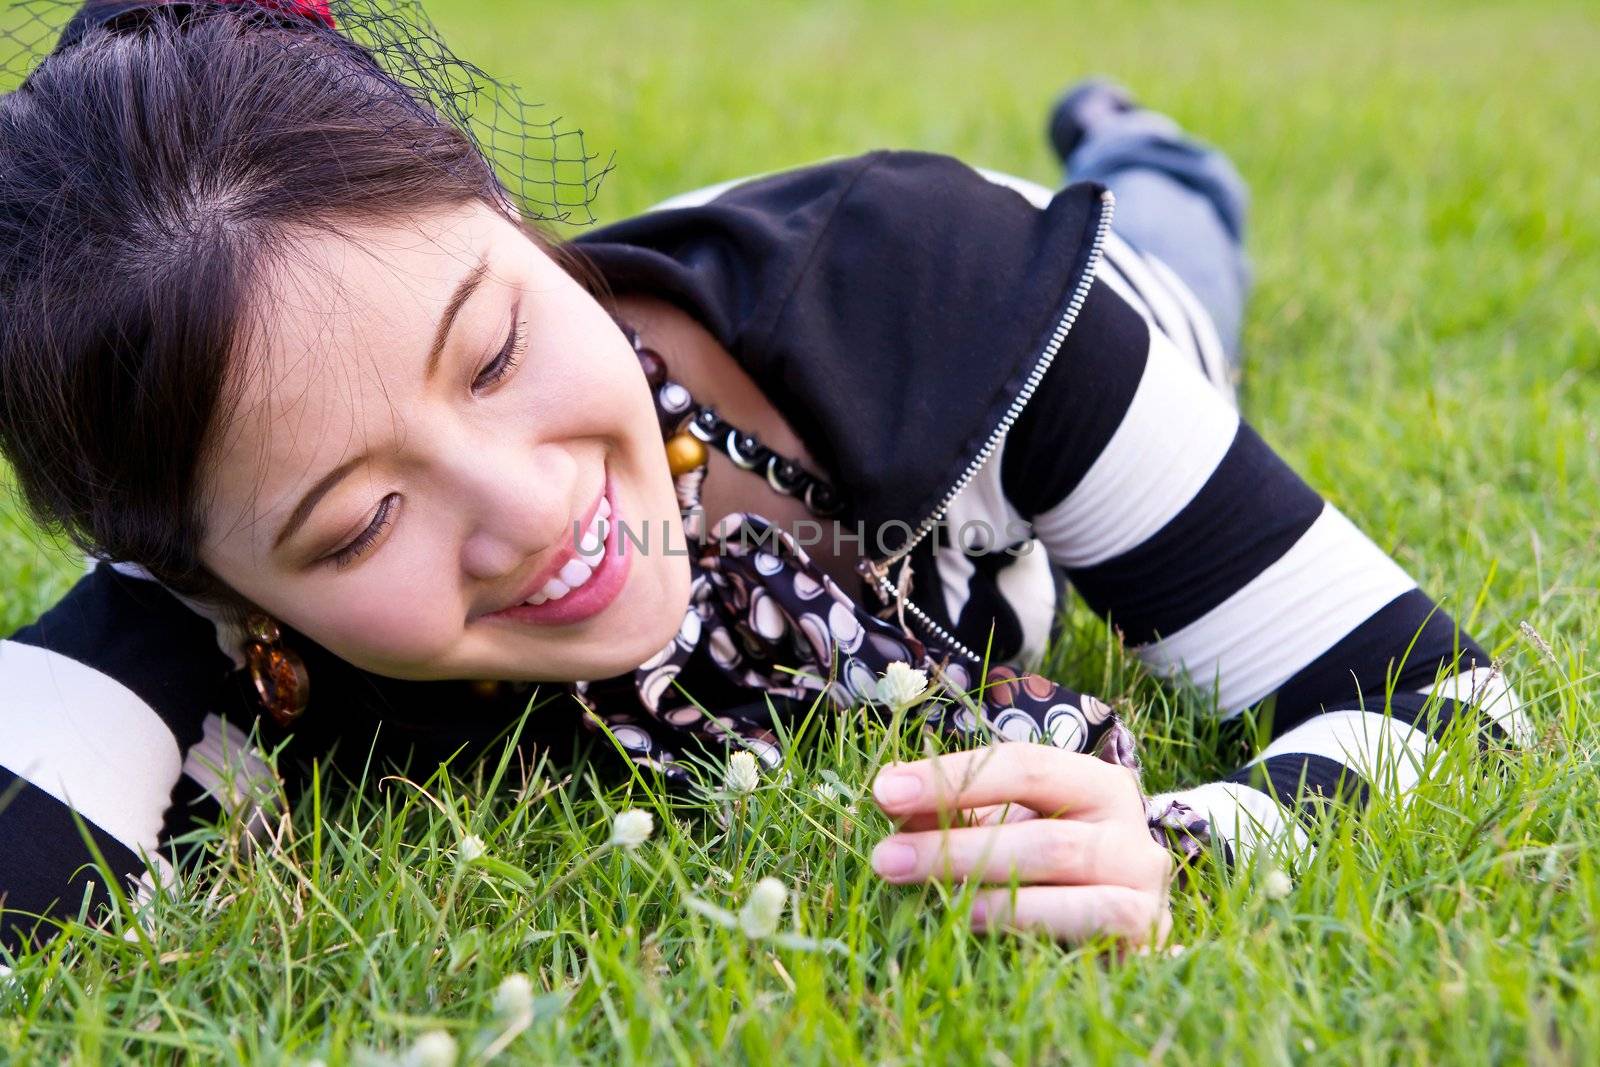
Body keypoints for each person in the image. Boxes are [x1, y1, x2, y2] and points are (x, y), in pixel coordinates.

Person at [0, 0, 1528, 954]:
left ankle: (1156, 147)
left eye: (491, 351)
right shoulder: (210, 563)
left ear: (511, 214)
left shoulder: (967, 310)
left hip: (1086, 279)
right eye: (363, 522)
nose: (538, 516)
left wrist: (1192, 841)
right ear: (216, 580)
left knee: (1182, 242)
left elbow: (1448, 711)